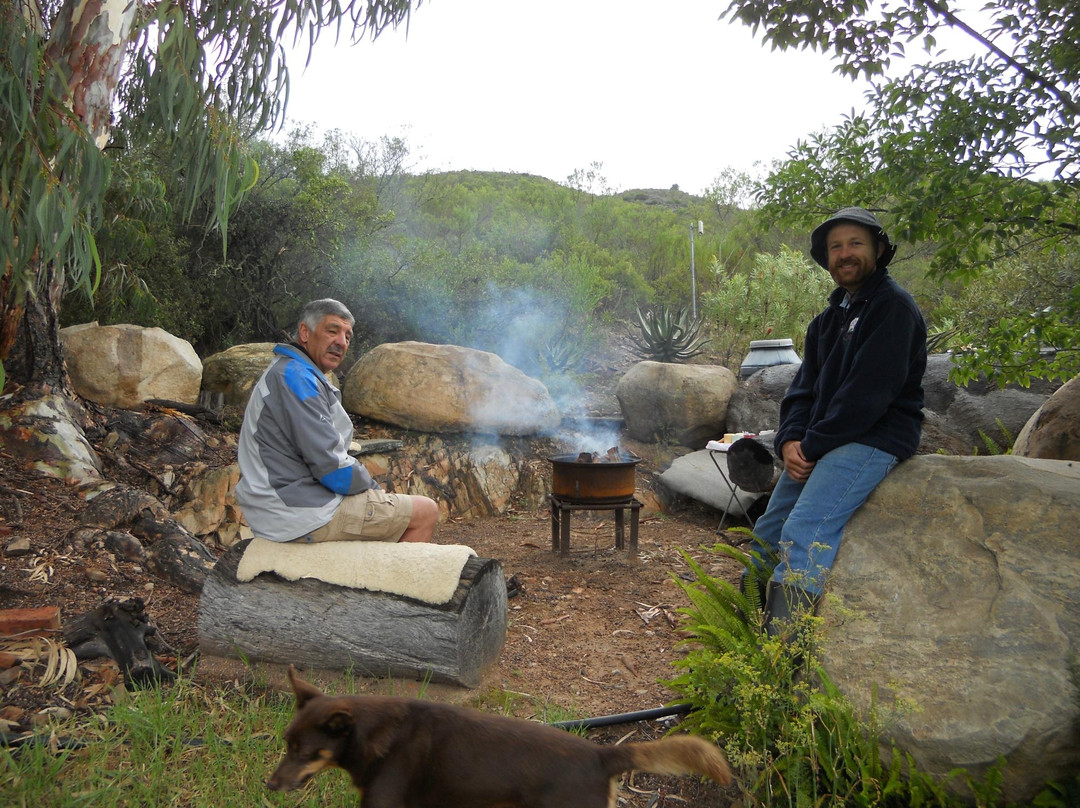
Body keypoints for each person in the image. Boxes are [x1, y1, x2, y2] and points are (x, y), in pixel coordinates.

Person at [752, 207, 927, 633]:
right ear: (827, 258)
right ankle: (742, 627)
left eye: (855, 244)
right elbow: (802, 391)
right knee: (768, 529)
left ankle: (781, 652)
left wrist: (811, 446)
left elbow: (867, 397)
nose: (844, 253)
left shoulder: (893, 309)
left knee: (805, 528)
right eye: (835, 247)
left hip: (875, 436)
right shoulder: (827, 321)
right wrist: (789, 442)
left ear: (878, 250)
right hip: (824, 440)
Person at [236, 298, 439, 545]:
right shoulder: (296, 378)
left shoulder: (289, 371)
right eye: (332, 331)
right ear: (305, 333)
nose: (341, 342)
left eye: (347, 336)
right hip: (299, 511)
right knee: (425, 512)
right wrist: (373, 489)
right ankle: (393, 573)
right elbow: (331, 467)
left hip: (284, 506)